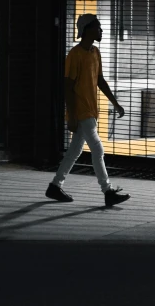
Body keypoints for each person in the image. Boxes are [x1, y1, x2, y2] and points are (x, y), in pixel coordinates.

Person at [46, 13, 130, 207]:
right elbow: (68, 86)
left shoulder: (95, 52)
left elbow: (100, 80)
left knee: (74, 152)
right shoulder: (75, 55)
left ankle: (55, 186)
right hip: (81, 111)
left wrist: (115, 103)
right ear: (87, 30)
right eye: (98, 27)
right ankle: (107, 191)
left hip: (91, 110)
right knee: (97, 149)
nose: (101, 30)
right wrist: (72, 115)